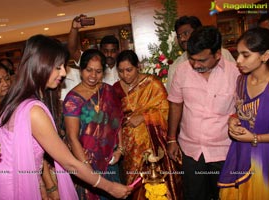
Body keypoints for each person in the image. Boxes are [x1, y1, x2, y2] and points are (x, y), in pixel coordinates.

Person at [0, 34, 132, 200]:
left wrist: (43, 185)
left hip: (15, 182)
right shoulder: (33, 110)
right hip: (12, 190)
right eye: (58, 67)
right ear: (41, 65)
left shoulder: (21, 100)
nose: (63, 72)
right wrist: (110, 187)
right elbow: (69, 162)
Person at [167, 26, 240, 200]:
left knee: (224, 196)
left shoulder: (235, 72)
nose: (196, 65)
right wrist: (171, 139)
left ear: (217, 55)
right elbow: (176, 105)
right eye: (192, 59)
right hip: (191, 151)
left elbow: (243, 108)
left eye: (202, 60)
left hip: (224, 151)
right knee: (194, 195)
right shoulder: (182, 71)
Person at [113, 50, 183, 199]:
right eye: (121, 71)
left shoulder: (152, 83)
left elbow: (166, 110)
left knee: (154, 182)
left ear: (138, 66)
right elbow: (113, 117)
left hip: (152, 143)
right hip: (128, 145)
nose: (125, 75)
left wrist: (144, 117)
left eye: (129, 70)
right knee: (133, 183)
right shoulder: (115, 89)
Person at [63, 49, 123, 199]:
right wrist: (86, 167)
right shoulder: (73, 99)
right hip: (86, 162)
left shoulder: (108, 90)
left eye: (98, 71)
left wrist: (120, 149)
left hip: (110, 159)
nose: (93, 76)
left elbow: (117, 122)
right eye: (89, 70)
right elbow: (72, 137)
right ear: (81, 70)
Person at [218, 27, 269, 199]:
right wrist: (233, 120)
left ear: (265, 56)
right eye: (237, 54)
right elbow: (242, 112)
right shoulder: (241, 81)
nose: (238, 60)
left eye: (246, 55)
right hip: (241, 154)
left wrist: (255, 138)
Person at [166, 16, 235, 93]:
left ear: (198, 32)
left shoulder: (223, 54)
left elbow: (239, 83)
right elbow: (173, 100)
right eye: (179, 36)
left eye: (186, 33)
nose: (182, 39)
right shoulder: (175, 67)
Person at [61, 14, 120, 101]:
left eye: (113, 51)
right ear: (100, 50)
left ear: (118, 51)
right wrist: (74, 29)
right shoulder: (91, 61)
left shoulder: (123, 68)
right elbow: (72, 50)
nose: (109, 54)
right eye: (105, 51)